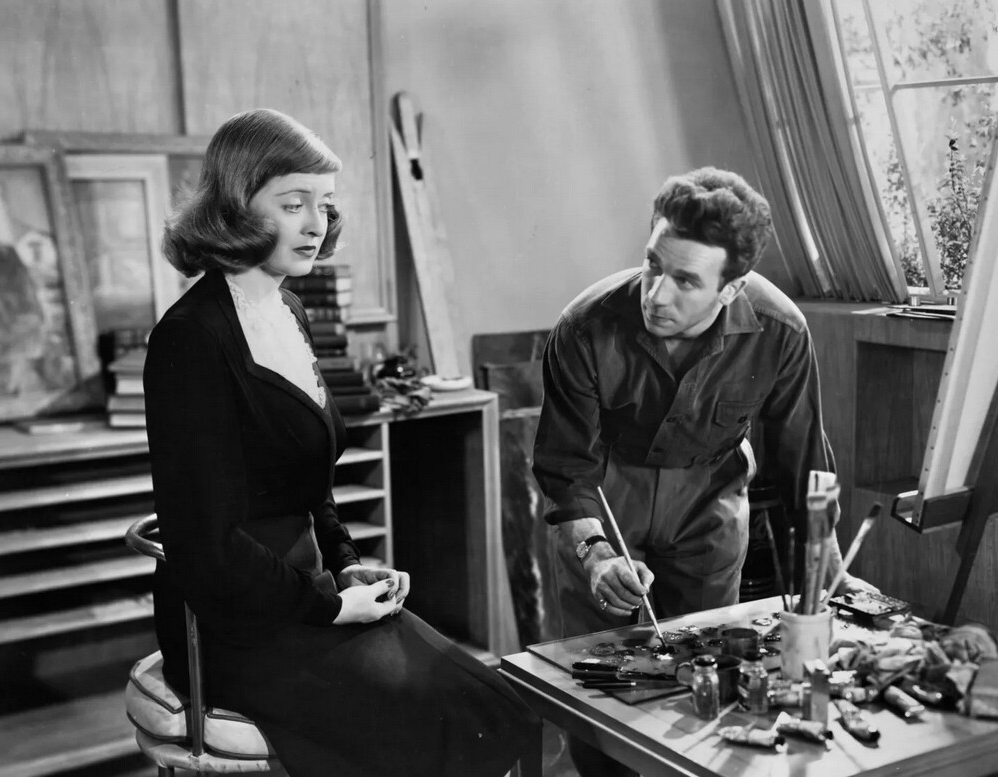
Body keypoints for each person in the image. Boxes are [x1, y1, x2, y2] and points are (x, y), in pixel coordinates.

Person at [144, 108, 537, 777]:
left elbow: (308, 484)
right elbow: (207, 543)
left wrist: (347, 563)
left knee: (499, 705)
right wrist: (328, 606)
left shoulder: (289, 310)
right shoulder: (190, 338)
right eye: (292, 203)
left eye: (324, 204)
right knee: (438, 726)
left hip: (310, 593)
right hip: (233, 623)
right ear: (236, 207)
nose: (316, 224)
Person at [532, 167, 876, 777]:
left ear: (731, 287)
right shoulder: (584, 327)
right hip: (607, 495)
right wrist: (595, 556)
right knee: (600, 682)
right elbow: (566, 466)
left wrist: (826, 564)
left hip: (710, 495)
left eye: (686, 280)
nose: (656, 294)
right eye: (652, 264)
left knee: (709, 666)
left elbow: (804, 462)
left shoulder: (780, 331)